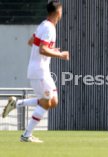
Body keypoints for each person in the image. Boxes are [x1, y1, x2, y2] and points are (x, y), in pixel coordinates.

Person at [1, 1, 69, 143]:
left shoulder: (43, 25)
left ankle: (17, 104)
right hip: (40, 70)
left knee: (53, 101)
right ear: (58, 12)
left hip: (41, 70)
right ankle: (26, 135)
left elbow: (31, 41)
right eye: (61, 11)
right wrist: (61, 55)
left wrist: (52, 50)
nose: (62, 13)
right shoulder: (49, 28)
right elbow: (42, 49)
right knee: (46, 103)